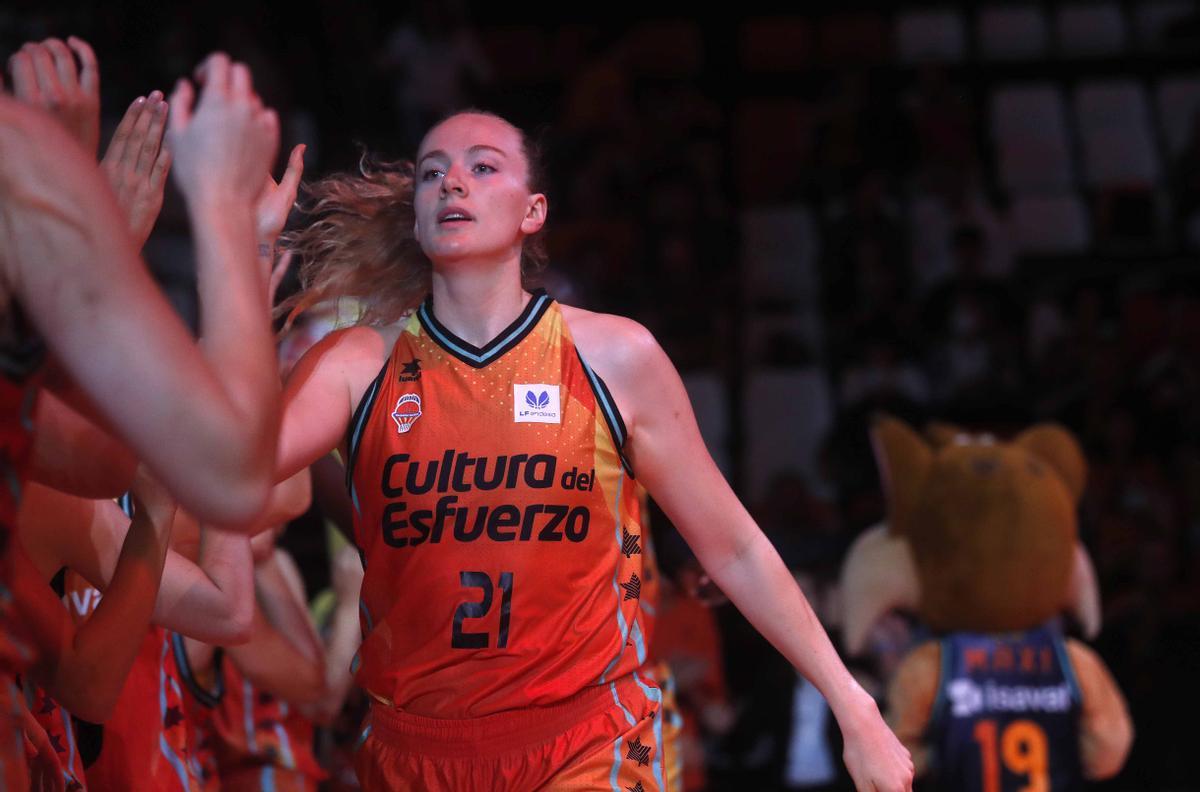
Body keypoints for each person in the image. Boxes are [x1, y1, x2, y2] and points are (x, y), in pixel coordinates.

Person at [274, 110, 913, 791]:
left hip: (589, 740)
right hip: (413, 749)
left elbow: (736, 549)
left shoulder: (612, 356)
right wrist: (245, 268)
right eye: (433, 173)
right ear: (418, 216)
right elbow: (229, 475)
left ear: (533, 211)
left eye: (482, 167)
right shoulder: (359, 363)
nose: (452, 181)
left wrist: (855, 706)